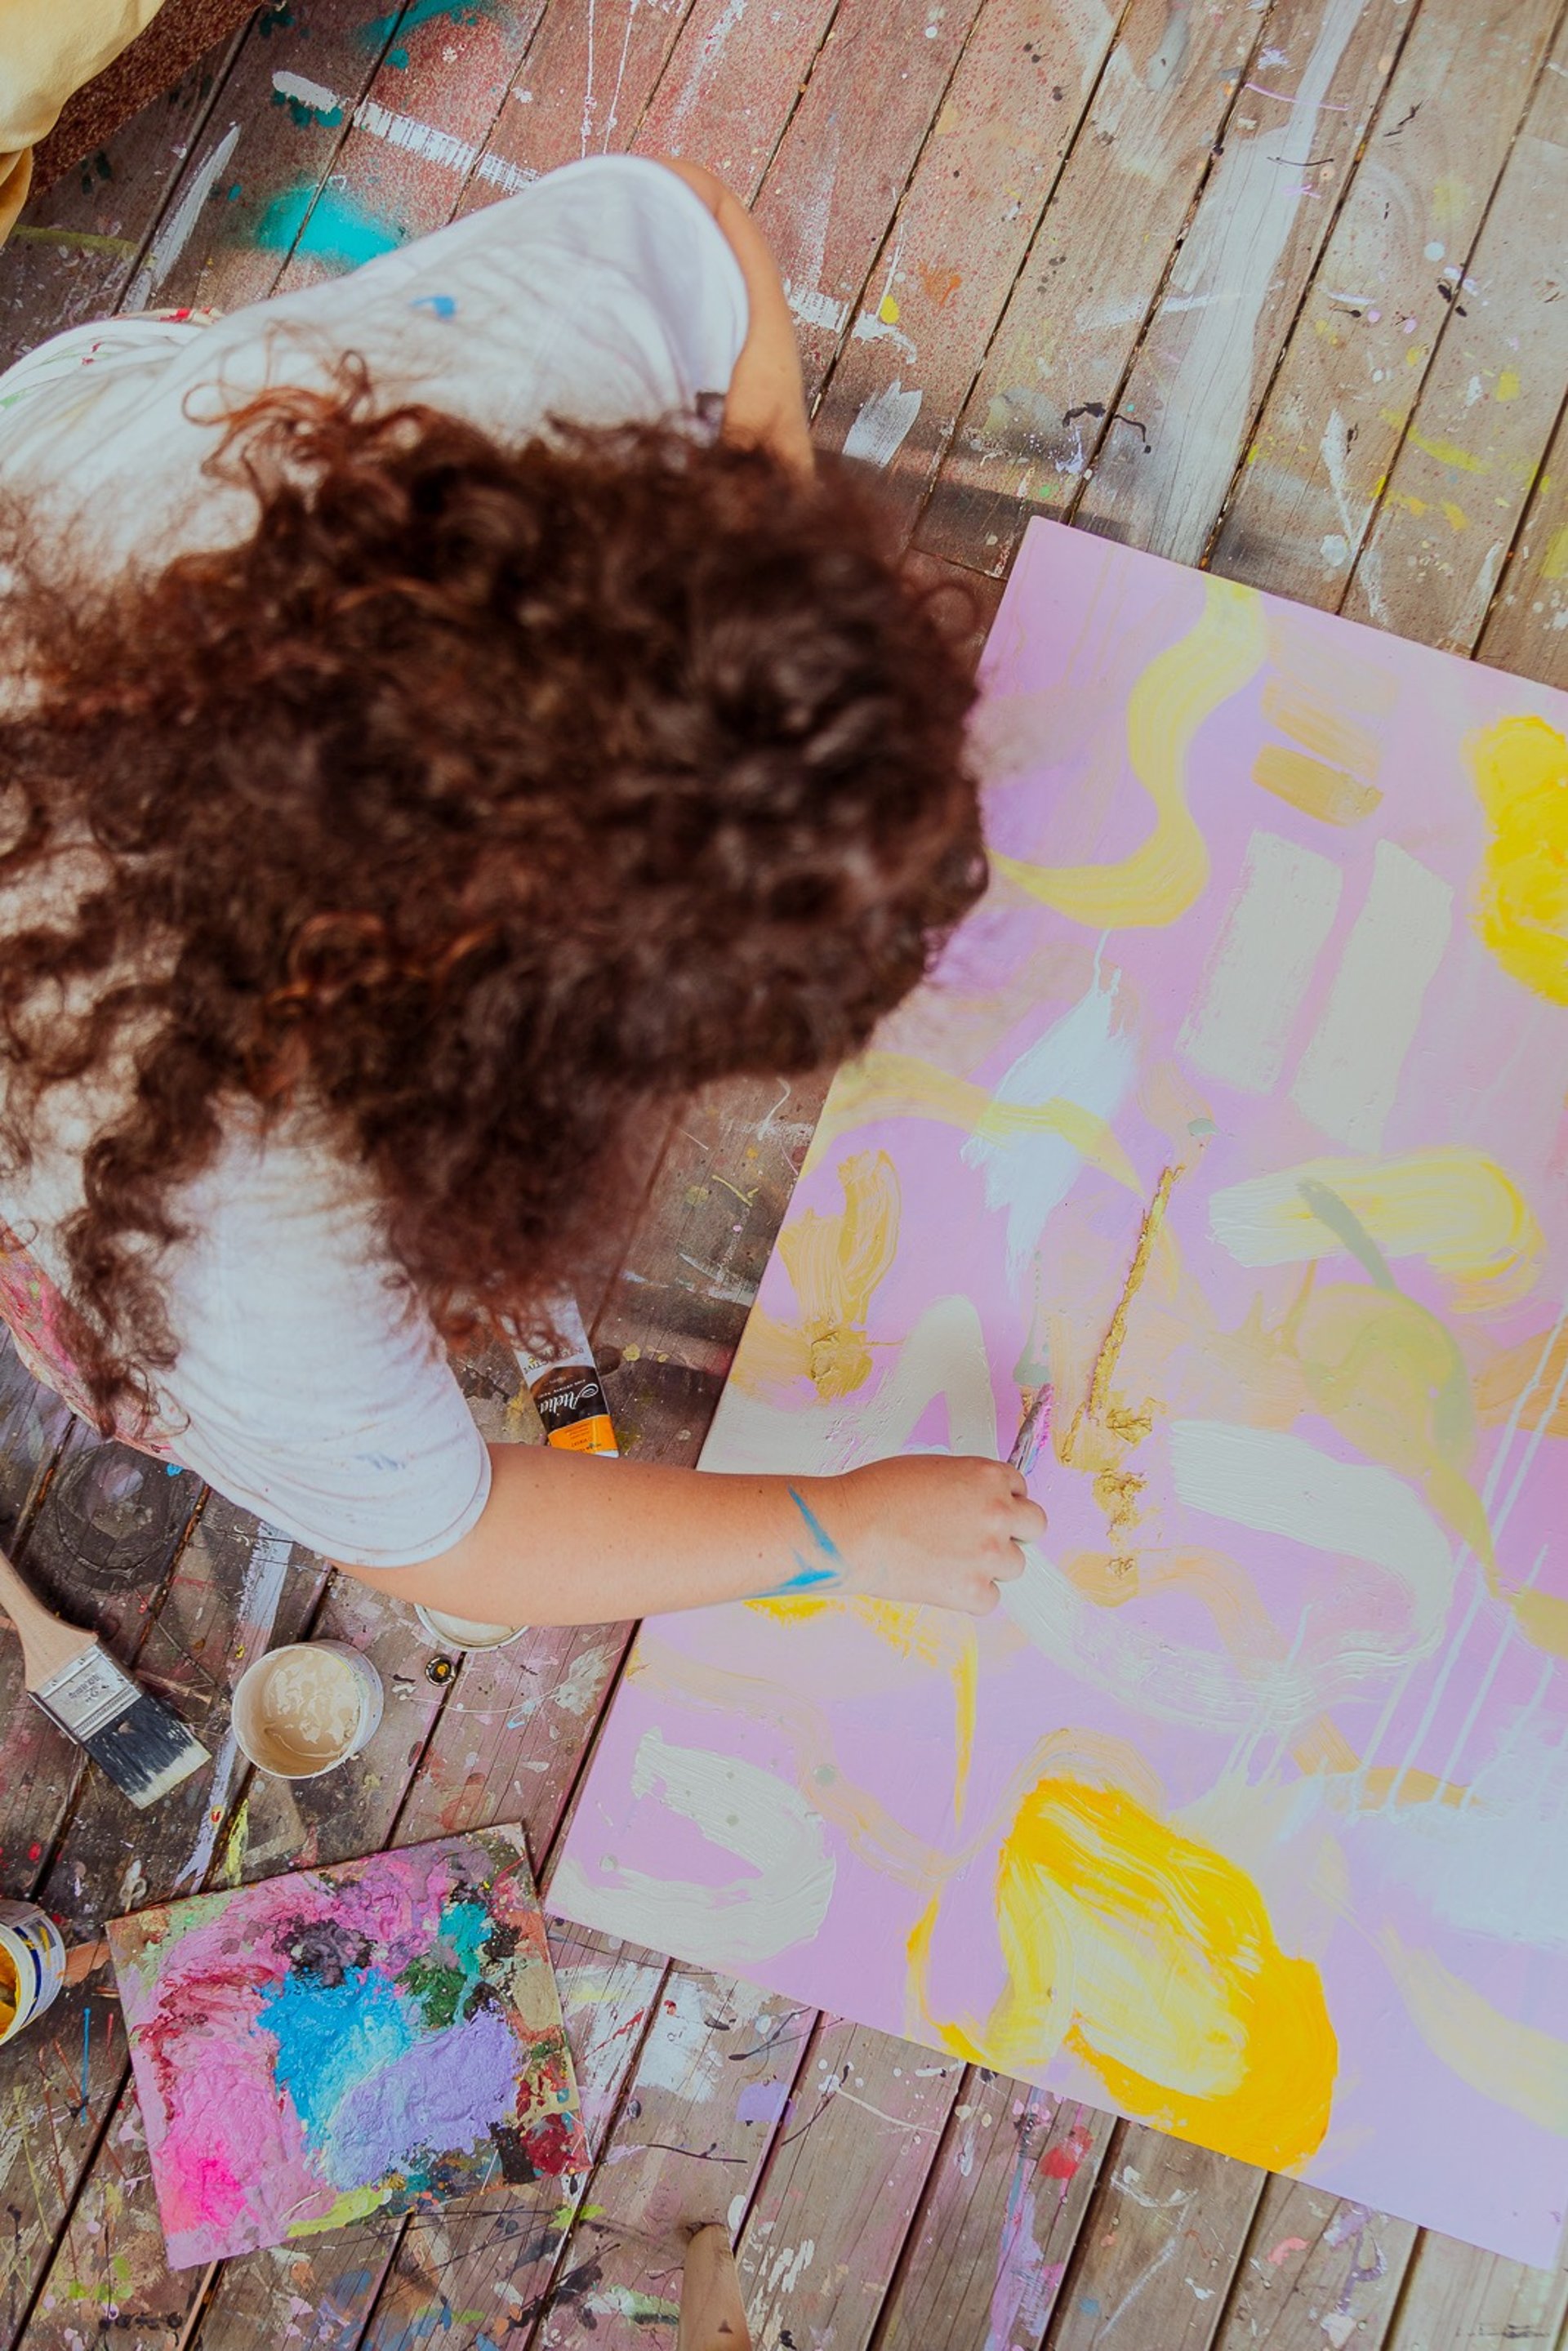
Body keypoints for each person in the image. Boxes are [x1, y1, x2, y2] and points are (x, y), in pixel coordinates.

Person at [0, 154, 1044, 1627]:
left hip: (116, 476)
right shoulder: (236, 1235)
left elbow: (710, 238)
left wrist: (757, 552)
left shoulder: (554, 364)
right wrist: (844, 1527)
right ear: (525, 1055)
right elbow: (447, 1543)